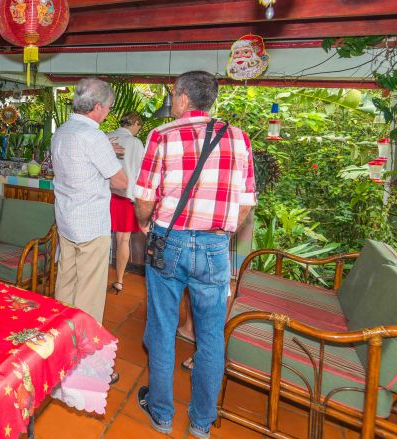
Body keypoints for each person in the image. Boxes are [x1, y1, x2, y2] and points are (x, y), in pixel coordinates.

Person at [133, 71, 256, 438]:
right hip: (214, 246)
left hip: (168, 240)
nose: (172, 101)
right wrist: (219, 233)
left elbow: (144, 198)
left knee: (162, 327)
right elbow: (246, 203)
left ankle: (161, 414)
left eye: (173, 94)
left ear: (183, 97)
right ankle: (201, 423)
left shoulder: (162, 135)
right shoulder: (238, 137)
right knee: (211, 336)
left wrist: (145, 223)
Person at [52, 77, 128, 325]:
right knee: (89, 291)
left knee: (66, 281)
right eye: (108, 108)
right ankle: (84, 339)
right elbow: (121, 182)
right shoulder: (94, 137)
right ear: (97, 107)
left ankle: (60, 330)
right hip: (91, 225)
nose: (107, 113)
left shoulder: (62, 131)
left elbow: (78, 165)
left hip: (67, 219)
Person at [107, 112, 145, 294]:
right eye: (139, 126)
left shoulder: (105, 137)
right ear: (135, 123)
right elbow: (141, 172)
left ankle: (97, 276)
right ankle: (119, 280)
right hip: (124, 196)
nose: (138, 130)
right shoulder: (135, 143)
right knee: (123, 239)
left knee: (101, 238)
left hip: (104, 194)